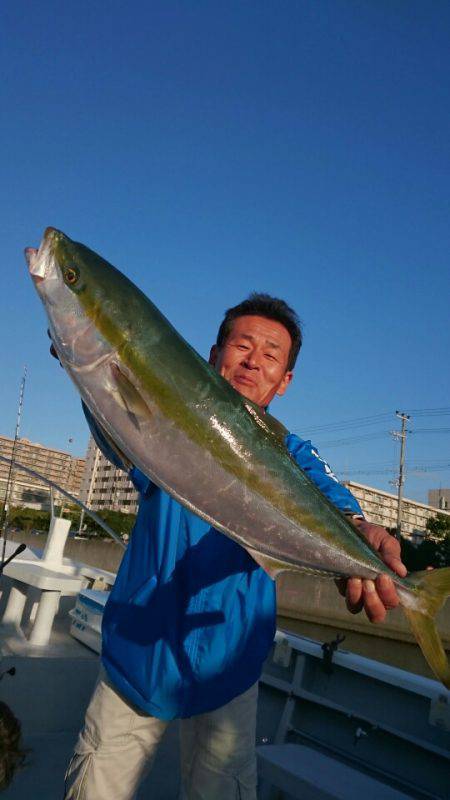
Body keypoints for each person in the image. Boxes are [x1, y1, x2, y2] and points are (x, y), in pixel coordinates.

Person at [62, 294, 406, 800]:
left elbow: (335, 501)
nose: (253, 361)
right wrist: (84, 358)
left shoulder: (294, 454)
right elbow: (114, 424)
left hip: (232, 665)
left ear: (284, 381)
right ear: (212, 355)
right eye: (242, 345)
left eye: (271, 355)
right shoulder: (163, 419)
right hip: (137, 655)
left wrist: (361, 532)